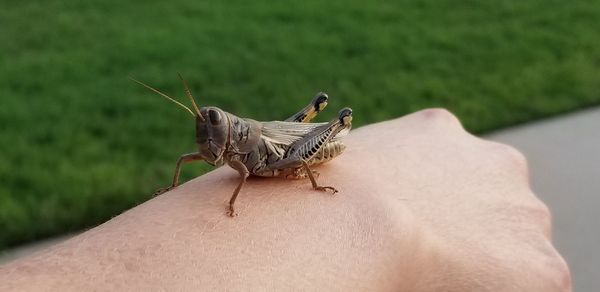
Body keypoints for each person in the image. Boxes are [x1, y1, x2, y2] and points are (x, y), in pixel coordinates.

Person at [0, 109, 571, 291]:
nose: (207, 139)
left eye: (213, 128)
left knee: (312, 134)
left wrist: (300, 180)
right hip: (268, 156)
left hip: (290, 154)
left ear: (228, 129)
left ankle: (318, 172)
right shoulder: (214, 149)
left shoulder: (249, 154)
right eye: (206, 131)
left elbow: (261, 164)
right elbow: (198, 162)